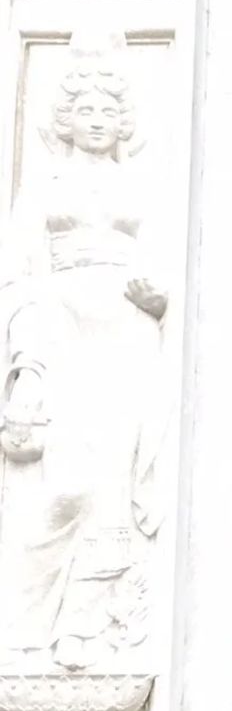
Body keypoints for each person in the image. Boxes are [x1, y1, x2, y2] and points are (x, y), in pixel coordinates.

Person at [0, 35, 166, 666]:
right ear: (65, 119)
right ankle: (24, 623)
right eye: (86, 111)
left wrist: (157, 302)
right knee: (65, 485)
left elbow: (171, 265)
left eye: (107, 112)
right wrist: (28, 370)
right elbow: (18, 275)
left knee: (114, 491)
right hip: (58, 330)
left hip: (128, 336)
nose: (97, 122)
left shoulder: (143, 187)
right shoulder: (43, 188)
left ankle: (85, 626)